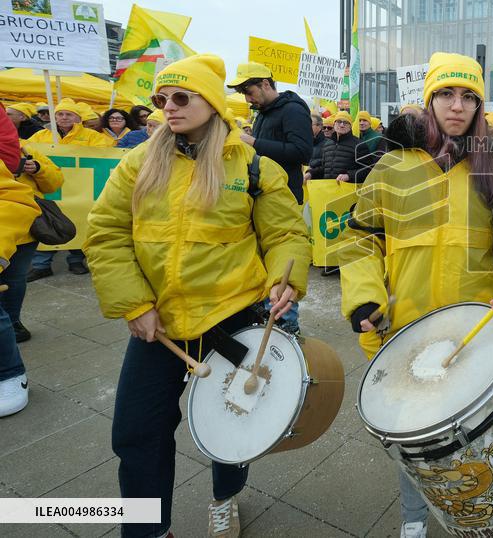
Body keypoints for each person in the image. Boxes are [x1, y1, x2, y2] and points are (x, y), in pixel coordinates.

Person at [85, 54, 311, 538]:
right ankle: (148, 529)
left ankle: (225, 499)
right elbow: (105, 234)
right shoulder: (137, 163)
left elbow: (286, 234)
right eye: (160, 99)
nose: (168, 107)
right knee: (135, 433)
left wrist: (285, 279)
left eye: (181, 97)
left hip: (233, 319)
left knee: (232, 428)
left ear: (210, 102)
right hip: (158, 325)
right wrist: (135, 304)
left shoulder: (252, 165)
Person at [340, 52, 493, 538]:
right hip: (407, 327)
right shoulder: (391, 166)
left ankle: (485, 514)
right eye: (447, 94)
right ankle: (414, 519)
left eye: (469, 96)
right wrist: (365, 297)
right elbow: (359, 238)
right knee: (417, 440)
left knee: (480, 436)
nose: (457, 106)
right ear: (428, 100)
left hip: (474, 330)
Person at [26, 99, 114, 280]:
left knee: (78, 220)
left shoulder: (93, 136)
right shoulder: (40, 136)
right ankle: (41, 264)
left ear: (78, 118)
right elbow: (27, 150)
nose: (63, 118)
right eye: (60, 114)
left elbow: (107, 151)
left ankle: (75, 260)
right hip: (50, 188)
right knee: (45, 223)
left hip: (80, 189)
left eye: (69, 114)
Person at [227, 62, 313, 205]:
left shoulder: (293, 110)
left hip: (284, 196)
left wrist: (254, 143)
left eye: (249, 92)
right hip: (261, 193)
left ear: (265, 84)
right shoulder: (262, 113)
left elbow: (303, 153)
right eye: (244, 94)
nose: (247, 99)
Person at [6, 141, 64, 342]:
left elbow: (55, 181)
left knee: (14, 278)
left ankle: (12, 323)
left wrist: (37, 169)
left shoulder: (24, 148)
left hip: (24, 229)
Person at [0, 158, 41, 417]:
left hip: (23, 235)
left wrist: (39, 168)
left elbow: (54, 181)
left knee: (12, 291)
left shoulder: (35, 145)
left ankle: (9, 370)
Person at [306, 112, 369, 182]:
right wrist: (311, 173)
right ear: (334, 124)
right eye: (339, 122)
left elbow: (367, 169)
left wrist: (349, 176)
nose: (342, 125)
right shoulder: (327, 144)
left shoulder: (359, 145)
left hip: (349, 190)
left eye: (345, 122)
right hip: (328, 189)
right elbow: (324, 168)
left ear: (350, 126)